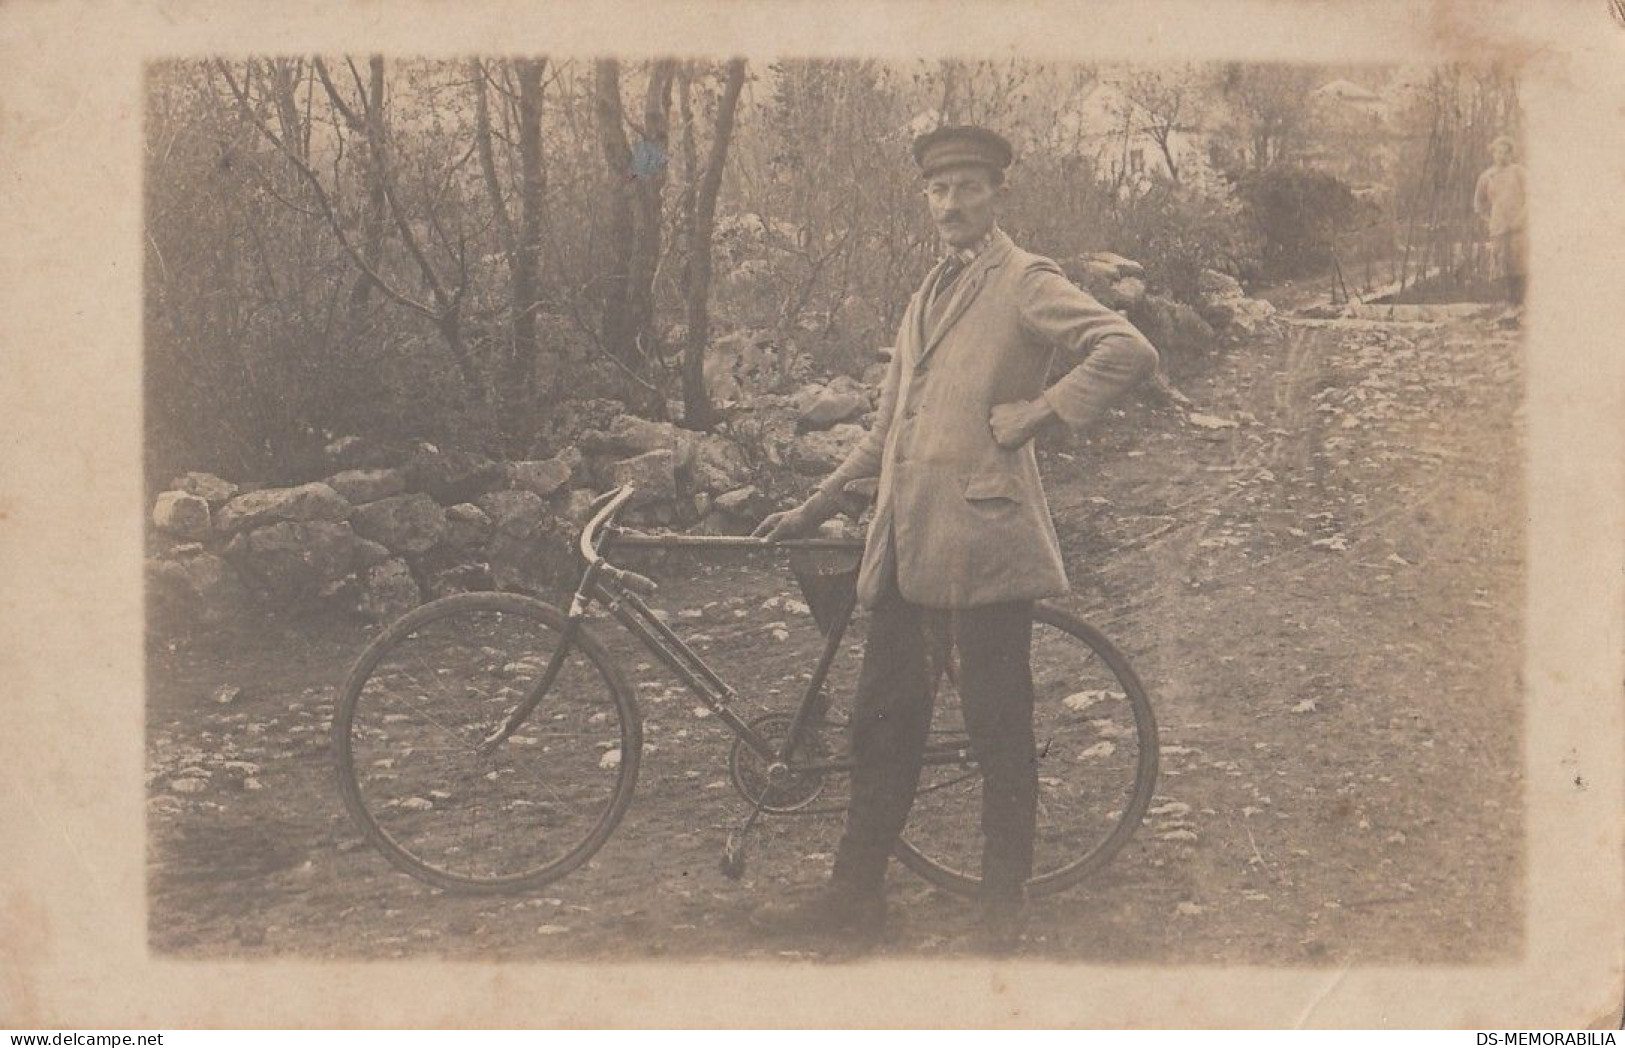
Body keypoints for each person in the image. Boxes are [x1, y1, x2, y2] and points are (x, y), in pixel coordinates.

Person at [750, 125, 1160, 951]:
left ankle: (1001, 908)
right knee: (881, 719)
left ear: (995, 193)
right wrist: (816, 506)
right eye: (938, 190)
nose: (950, 203)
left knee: (995, 724)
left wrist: (1040, 413)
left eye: (967, 187)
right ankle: (855, 897)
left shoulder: (1023, 281)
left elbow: (1128, 347)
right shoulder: (923, 297)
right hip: (905, 542)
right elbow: (885, 430)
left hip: (984, 539)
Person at [1473, 135, 1527, 313]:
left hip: (1519, 226)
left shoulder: (1519, 172)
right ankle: (1508, 305)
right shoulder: (1486, 176)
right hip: (1498, 227)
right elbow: (1478, 205)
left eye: (1505, 152)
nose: (1501, 156)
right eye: (1498, 152)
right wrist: (1491, 220)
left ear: (1511, 154)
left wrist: (1521, 218)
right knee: (1502, 265)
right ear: (1493, 153)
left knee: (1520, 264)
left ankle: (1521, 305)